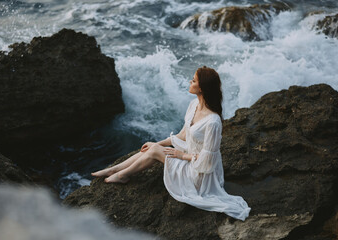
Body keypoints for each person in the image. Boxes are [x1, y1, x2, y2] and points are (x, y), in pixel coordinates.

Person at [91, 66, 251, 221]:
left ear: (202, 88)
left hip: (200, 174)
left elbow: (209, 161)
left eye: (193, 80)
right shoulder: (194, 105)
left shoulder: (213, 122)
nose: (190, 82)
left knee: (154, 152)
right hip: (190, 155)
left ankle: (121, 175)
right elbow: (182, 135)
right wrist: (158, 143)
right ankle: (114, 169)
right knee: (153, 148)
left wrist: (182, 155)